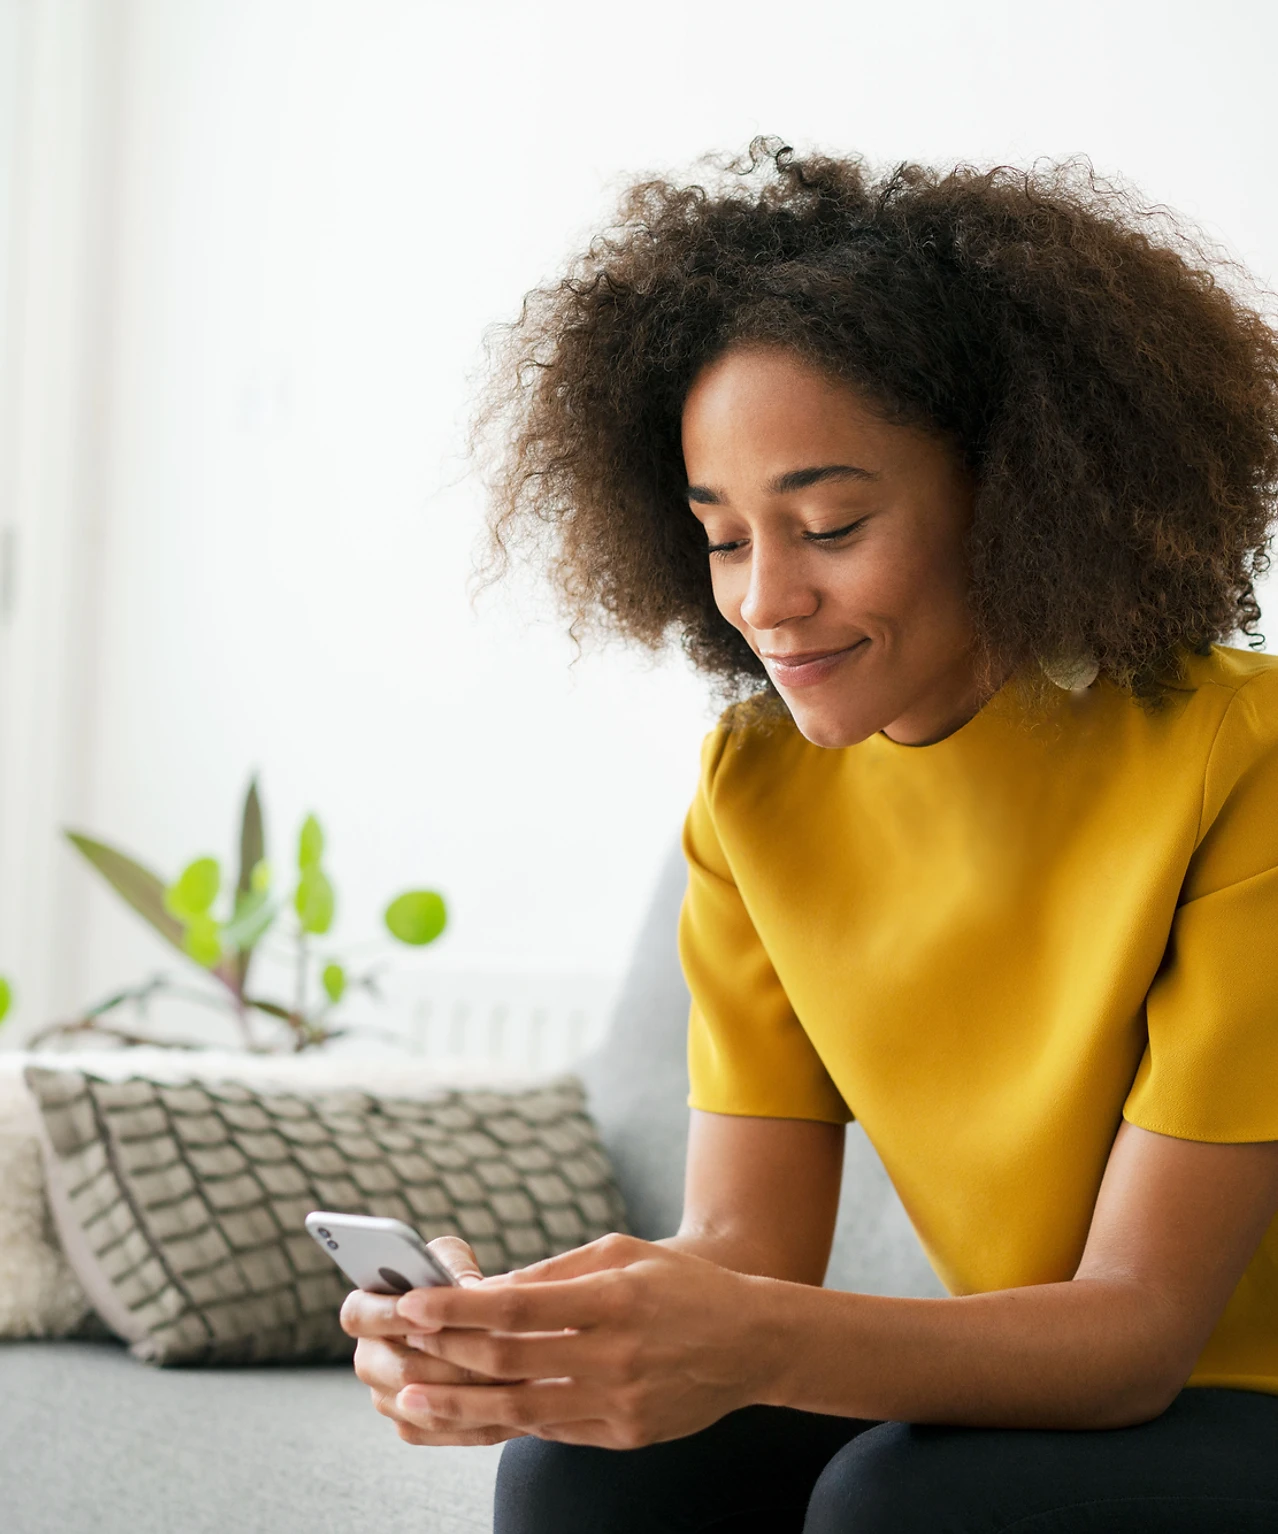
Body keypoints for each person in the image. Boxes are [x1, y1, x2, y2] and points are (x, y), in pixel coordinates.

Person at [341, 141, 1278, 1531]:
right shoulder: (754, 791)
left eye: (829, 521)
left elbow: (1137, 1332)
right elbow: (742, 1252)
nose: (766, 600)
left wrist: (748, 1337)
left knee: (900, 1501)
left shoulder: (1236, 760)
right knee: (585, 1472)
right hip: (1060, 1391)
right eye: (722, 536)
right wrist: (537, 1339)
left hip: (1230, 1389)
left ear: (1013, 491)